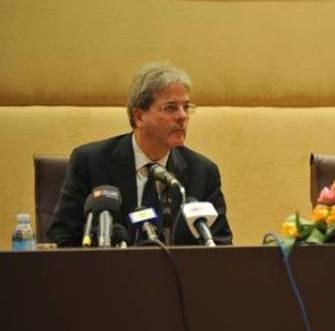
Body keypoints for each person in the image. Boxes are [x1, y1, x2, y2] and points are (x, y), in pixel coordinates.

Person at [47, 62, 233, 246]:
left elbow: (220, 247)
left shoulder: (202, 172)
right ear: (139, 116)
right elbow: (61, 239)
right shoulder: (90, 162)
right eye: (170, 108)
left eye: (186, 107)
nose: (183, 116)